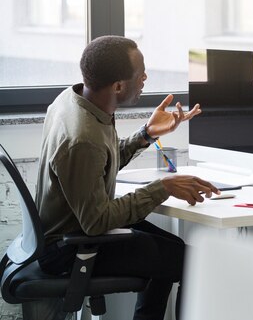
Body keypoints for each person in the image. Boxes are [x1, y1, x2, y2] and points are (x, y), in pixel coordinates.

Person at [35, 35, 220, 320]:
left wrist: (146, 134)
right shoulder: (83, 138)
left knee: (177, 251)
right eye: (140, 74)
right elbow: (96, 221)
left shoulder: (77, 101)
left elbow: (100, 166)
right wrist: (162, 187)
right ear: (118, 85)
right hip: (69, 248)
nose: (145, 77)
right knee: (192, 263)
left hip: (75, 231)